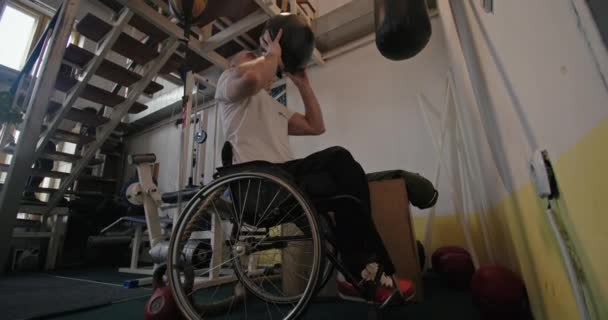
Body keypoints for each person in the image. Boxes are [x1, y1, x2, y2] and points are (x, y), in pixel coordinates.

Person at [215, 30, 412, 302]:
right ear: (233, 65)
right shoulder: (228, 83)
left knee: (347, 182)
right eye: (251, 56)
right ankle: (359, 272)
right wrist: (271, 55)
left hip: (285, 181)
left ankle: (362, 273)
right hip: (259, 183)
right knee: (339, 158)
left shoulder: (273, 106)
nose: (258, 58)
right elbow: (251, 77)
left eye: (260, 56)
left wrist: (303, 85)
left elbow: (316, 126)